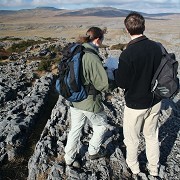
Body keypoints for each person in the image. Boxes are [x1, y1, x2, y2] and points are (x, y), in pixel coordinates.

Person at [114, 12, 162, 178]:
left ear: (127, 30)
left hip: (135, 104)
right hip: (155, 100)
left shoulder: (128, 54)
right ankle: (154, 169)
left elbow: (121, 83)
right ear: (144, 26)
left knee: (132, 139)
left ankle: (134, 169)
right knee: (152, 137)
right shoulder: (157, 47)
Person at [64, 27, 109, 168]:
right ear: (97, 39)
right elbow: (103, 85)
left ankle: (69, 159)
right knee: (101, 126)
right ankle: (93, 151)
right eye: (102, 39)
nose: (102, 42)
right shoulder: (92, 56)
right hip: (89, 101)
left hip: (74, 98)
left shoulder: (76, 50)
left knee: (75, 129)